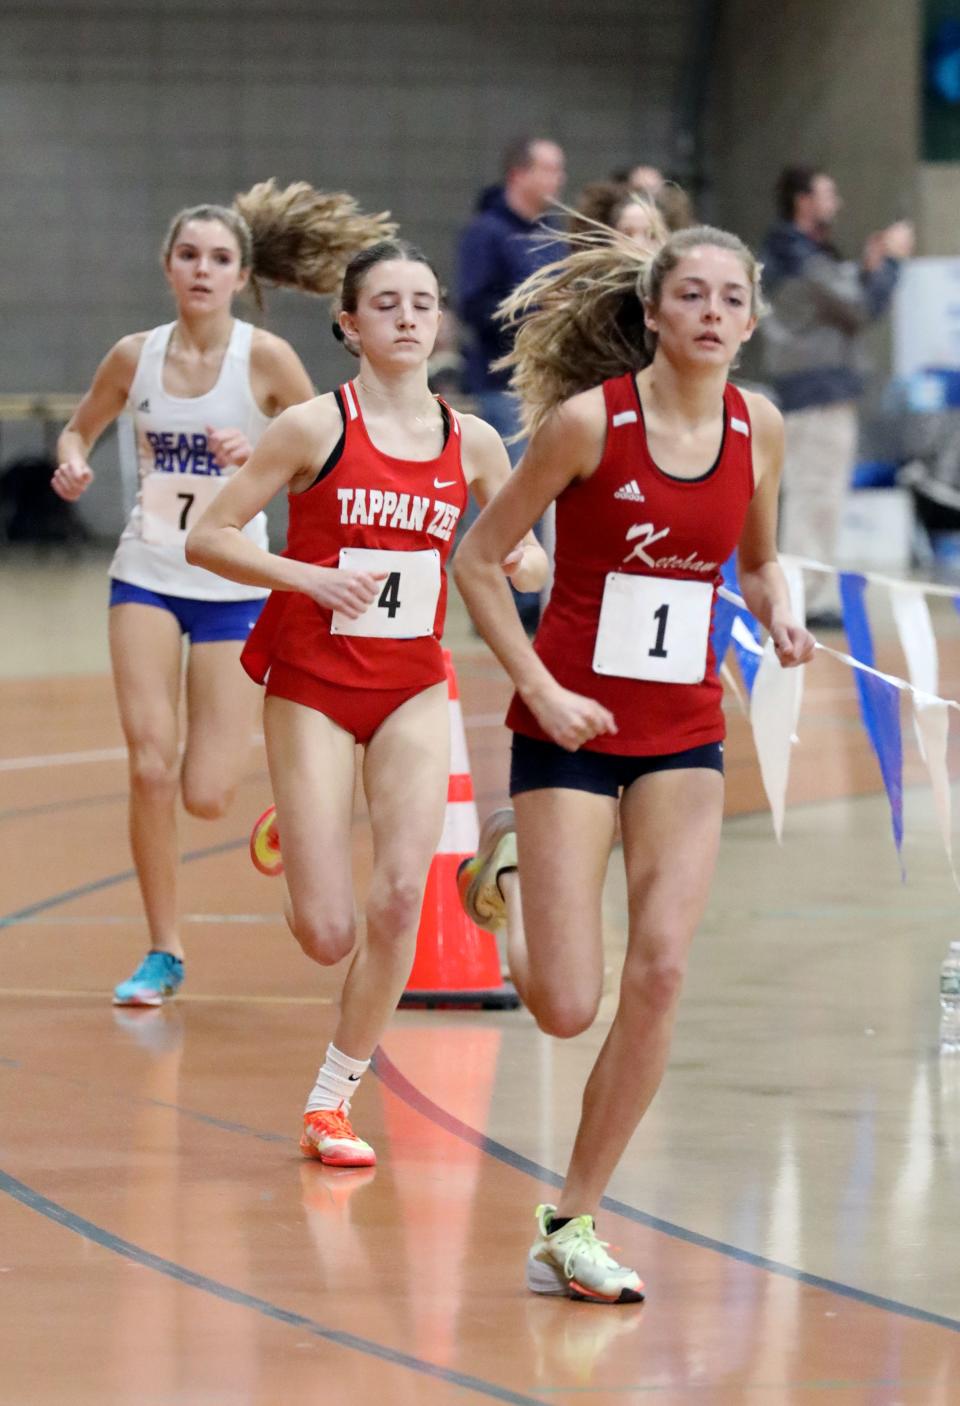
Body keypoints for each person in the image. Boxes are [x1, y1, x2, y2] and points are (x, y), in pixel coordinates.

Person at [452, 223, 815, 1302]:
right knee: (566, 1003)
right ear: (652, 316)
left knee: (660, 971)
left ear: (750, 321)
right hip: (568, 730)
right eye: (691, 294)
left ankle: (573, 1217)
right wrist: (543, 688)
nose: (711, 311)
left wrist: (780, 607)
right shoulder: (585, 426)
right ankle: (509, 868)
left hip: (684, 733)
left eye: (730, 297)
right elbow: (477, 560)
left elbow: (755, 559)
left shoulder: (763, 429)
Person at [185, 238, 548, 1168]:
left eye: (423, 302)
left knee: (396, 901)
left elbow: (526, 555)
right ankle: (294, 818)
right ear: (349, 324)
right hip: (310, 683)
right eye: (385, 304)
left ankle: (331, 1101)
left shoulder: (471, 441)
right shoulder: (311, 427)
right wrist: (304, 575)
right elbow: (210, 537)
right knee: (327, 932)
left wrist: (522, 555)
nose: (408, 317)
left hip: (412, 684)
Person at [53, 181, 394, 1006]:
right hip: (146, 572)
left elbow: (330, 452)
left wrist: (258, 453)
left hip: (233, 583)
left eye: (219, 258)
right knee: (147, 764)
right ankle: (163, 949)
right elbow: (81, 423)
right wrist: (72, 459)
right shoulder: (134, 357)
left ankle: (282, 816)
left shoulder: (265, 360)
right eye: (189, 256)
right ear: (167, 267)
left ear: (243, 276)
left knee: (206, 793)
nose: (202, 270)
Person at [758, 165, 914, 628]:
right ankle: (804, 602)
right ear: (803, 201)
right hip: (816, 393)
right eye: (828, 194)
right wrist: (893, 264)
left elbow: (851, 303)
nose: (837, 203)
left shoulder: (803, 253)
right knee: (813, 497)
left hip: (814, 391)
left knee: (816, 497)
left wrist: (870, 271)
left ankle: (808, 597)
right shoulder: (799, 254)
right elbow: (861, 308)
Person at [456, 135, 567, 629]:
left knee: (544, 491)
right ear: (519, 175)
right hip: (503, 382)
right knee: (508, 492)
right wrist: (536, 315)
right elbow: (475, 305)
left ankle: (531, 595)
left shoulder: (552, 233)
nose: (558, 180)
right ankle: (498, 602)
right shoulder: (487, 233)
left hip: (549, 383)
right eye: (550, 169)